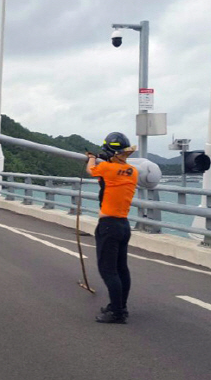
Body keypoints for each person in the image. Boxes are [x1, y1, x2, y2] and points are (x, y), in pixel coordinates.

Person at [86, 132, 138, 324]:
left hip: (108, 225)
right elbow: (112, 176)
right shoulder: (133, 171)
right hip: (123, 225)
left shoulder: (106, 168)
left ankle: (117, 312)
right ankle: (120, 306)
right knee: (121, 269)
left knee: (108, 270)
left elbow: (91, 170)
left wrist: (91, 158)